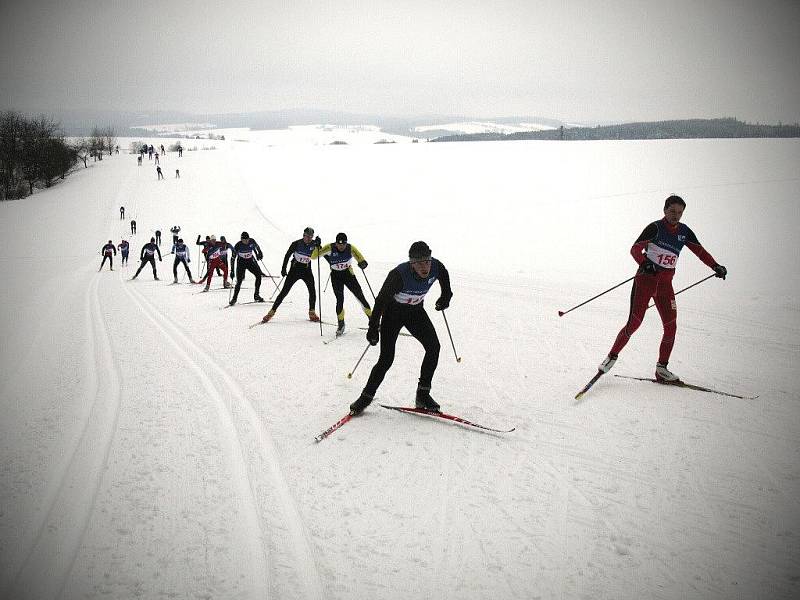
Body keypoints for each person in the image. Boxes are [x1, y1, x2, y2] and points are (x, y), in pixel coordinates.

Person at [597, 195, 727, 382]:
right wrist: (644, 263)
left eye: (680, 213)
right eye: (672, 211)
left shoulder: (684, 232)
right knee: (634, 323)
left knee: (671, 327)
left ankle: (661, 369)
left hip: (665, 287)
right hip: (645, 282)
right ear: (665, 210)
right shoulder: (655, 228)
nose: (676, 216)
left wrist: (715, 266)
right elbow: (635, 249)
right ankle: (611, 357)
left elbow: (700, 252)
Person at [350, 241, 453, 415]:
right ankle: (366, 397)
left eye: (427, 261)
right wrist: (373, 327)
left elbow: (445, 280)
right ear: (412, 263)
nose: (425, 267)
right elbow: (381, 301)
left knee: (434, 347)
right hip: (393, 314)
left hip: (415, 312)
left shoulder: (436, 266)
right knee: (386, 359)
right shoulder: (398, 275)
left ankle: (423, 394)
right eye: (419, 263)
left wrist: (445, 297)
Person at [312, 232, 371, 335]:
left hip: (348, 275)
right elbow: (313, 257)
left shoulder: (350, 248)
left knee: (360, 297)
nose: (341, 246)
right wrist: (316, 246)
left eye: (343, 244)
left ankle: (373, 320)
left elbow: (360, 258)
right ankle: (341, 323)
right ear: (336, 243)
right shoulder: (329, 247)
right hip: (336, 277)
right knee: (340, 300)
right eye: (339, 244)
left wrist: (362, 262)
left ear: (346, 243)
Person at [262, 227, 321, 323]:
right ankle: (271, 312)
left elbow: (322, 253)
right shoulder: (296, 243)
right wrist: (283, 268)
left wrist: (319, 245)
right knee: (284, 292)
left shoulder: (314, 244)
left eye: (310, 237)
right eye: (307, 236)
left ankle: (312, 312)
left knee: (312, 291)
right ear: (303, 235)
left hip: (307, 270)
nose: (309, 238)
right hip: (295, 269)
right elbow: (287, 255)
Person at [230, 231, 265, 305]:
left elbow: (257, 247)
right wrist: (232, 270)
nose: (246, 241)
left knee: (258, 276)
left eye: (247, 239)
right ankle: (234, 298)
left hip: (250, 261)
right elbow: (232, 259)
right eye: (244, 240)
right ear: (241, 239)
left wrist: (260, 253)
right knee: (239, 281)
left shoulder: (252, 241)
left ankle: (256, 295)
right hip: (241, 263)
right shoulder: (238, 245)